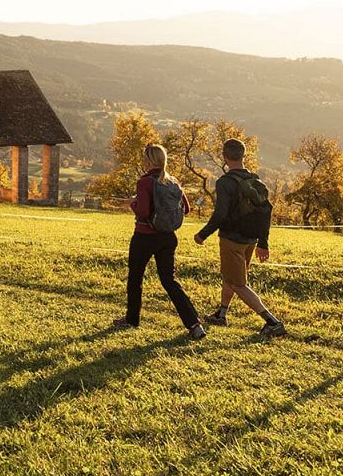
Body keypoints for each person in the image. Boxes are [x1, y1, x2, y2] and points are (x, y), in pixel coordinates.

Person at [110, 144, 206, 340]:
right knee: (169, 281)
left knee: (135, 278)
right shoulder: (173, 182)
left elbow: (143, 212)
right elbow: (186, 209)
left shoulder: (144, 182)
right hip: (168, 238)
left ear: (147, 161)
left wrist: (132, 203)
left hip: (144, 236)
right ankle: (194, 324)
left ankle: (132, 319)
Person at [194, 138, 287, 338]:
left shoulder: (225, 182)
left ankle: (272, 322)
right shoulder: (255, 179)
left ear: (225, 157)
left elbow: (220, 214)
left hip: (231, 240)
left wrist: (203, 234)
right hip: (250, 240)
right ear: (243, 155)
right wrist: (263, 243)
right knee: (231, 277)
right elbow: (265, 213)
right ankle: (221, 314)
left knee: (238, 283)